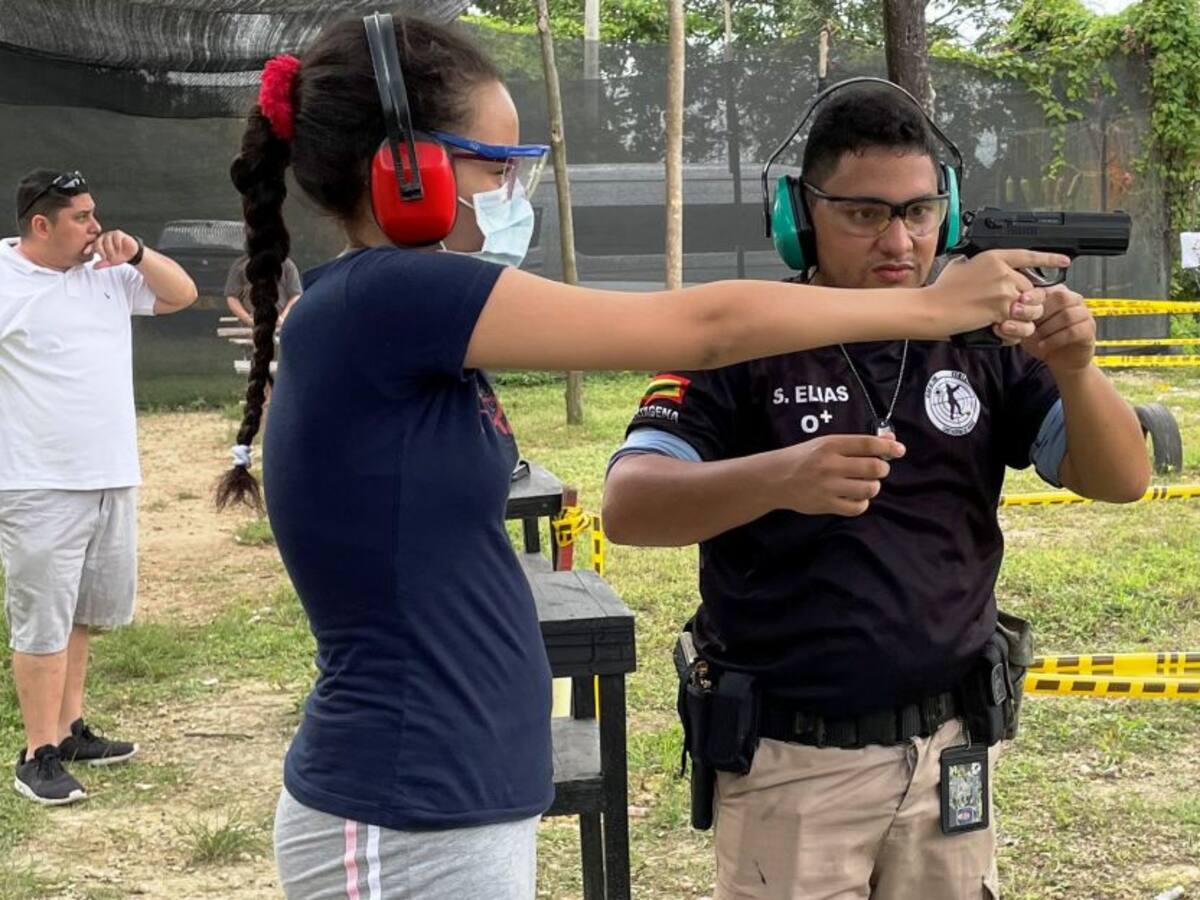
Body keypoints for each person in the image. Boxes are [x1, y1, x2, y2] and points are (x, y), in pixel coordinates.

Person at [215, 17, 1064, 900]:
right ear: (404, 168)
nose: (510, 193)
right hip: (404, 795)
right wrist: (932, 309)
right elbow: (705, 330)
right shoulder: (389, 295)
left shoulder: (398, 319)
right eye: (494, 166)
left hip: (450, 788)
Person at [602, 82, 1152, 900]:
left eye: (920, 212)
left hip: (951, 749)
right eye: (864, 214)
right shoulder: (746, 336)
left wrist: (1076, 369)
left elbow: (1122, 480)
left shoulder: (986, 341)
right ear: (800, 215)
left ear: (948, 214)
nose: (898, 240)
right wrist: (779, 477)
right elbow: (629, 505)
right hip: (792, 763)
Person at [0, 169, 198, 805]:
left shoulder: (107, 272)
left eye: (94, 212)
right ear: (41, 225)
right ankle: (37, 754)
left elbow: (182, 294)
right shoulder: (5, 278)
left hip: (111, 472)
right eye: (81, 217)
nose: (95, 226)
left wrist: (136, 253)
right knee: (41, 621)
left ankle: (69, 730)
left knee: (82, 612)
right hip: (37, 482)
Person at [225, 252, 302, 327]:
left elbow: (296, 296)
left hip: (281, 327)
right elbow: (232, 298)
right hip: (248, 328)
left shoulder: (287, 264)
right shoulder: (240, 265)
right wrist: (247, 319)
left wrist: (283, 318)